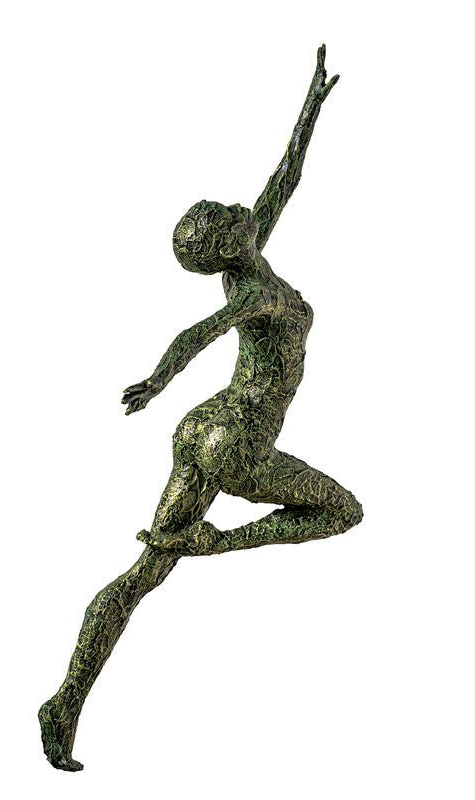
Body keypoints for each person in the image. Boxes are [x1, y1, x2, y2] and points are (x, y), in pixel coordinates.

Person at [39, 44, 362, 772]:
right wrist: (157, 378)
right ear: (226, 244)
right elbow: (200, 333)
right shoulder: (254, 291)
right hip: (235, 440)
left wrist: (310, 107)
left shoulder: (252, 254)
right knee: (342, 511)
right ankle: (217, 544)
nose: (238, 208)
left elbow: (284, 178)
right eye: (225, 216)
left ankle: (64, 703)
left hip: (201, 428)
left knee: (144, 572)